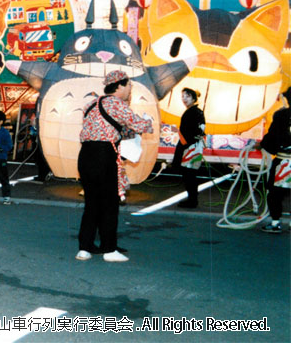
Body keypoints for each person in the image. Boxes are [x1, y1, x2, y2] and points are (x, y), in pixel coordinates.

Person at [76, 70, 153, 263]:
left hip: (85, 155)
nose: (130, 90)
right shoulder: (116, 104)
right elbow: (139, 125)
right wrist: (148, 122)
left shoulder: (91, 104)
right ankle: (109, 250)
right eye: (129, 86)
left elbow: (111, 128)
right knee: (109, 203)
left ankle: (85, 248)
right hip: (104, 156)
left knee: (92, 203)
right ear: (119, 85)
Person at [258, 87, 291, 233]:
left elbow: (272, 139)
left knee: (275, 193)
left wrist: (260, 145)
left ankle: (276, 223)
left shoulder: (281, 115)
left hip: (284, 162)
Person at [171, 88, 206, 209]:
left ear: (194, 98)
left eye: (187, 96)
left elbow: (190, 133)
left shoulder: (193, 112)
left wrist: (178, 131)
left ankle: (192, 201)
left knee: (189, 175)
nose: (184, 99)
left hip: (191, 148)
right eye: (183, 96)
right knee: (190, 175)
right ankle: (192, 199)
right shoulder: (196, 112)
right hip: (194, 147)